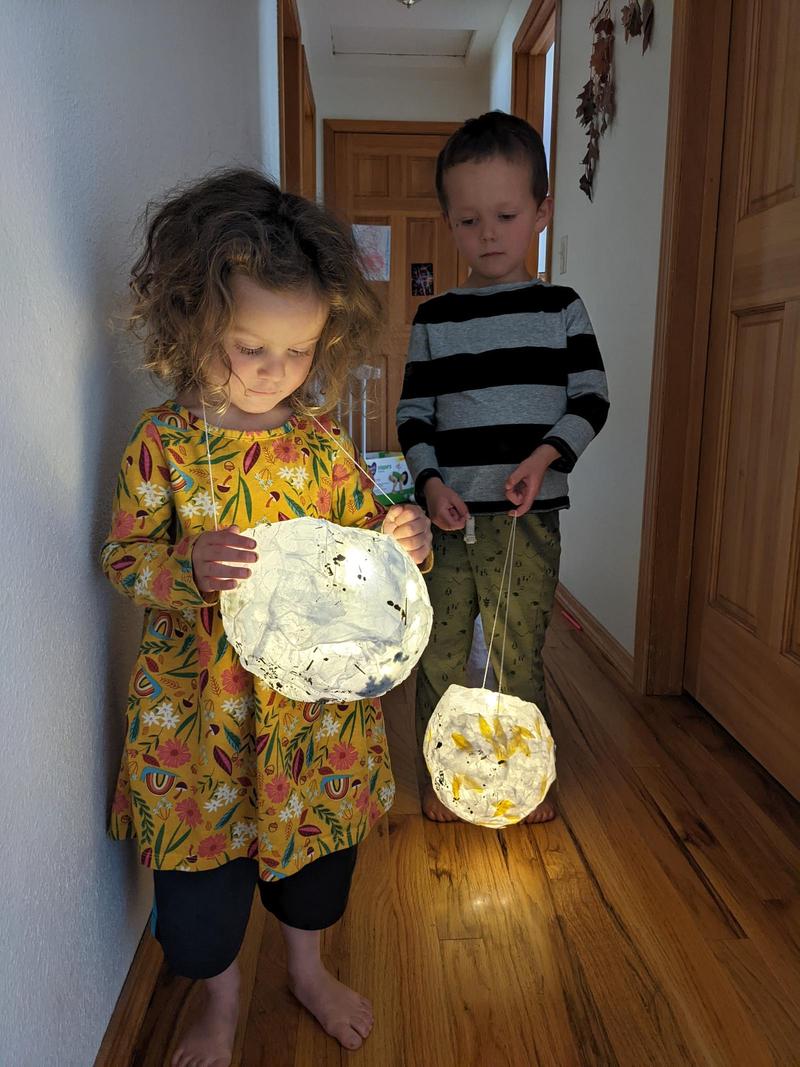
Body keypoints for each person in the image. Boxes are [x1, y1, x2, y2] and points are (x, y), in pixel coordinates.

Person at [101, 168, 432, 1067]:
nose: (273, 371)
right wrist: (186, 565)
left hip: (313, 722)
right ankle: (223, 993)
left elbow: (365, 550)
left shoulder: (321, 442)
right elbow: (124, 558)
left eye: (297, 351)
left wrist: (400, 540)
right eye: (249, 346)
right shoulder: (162, 444)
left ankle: (306, 967)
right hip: (197, 714)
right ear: (195, 320)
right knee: (201, 910)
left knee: (314, 874)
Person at [396, 111, 609, 824]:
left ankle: (527, 775)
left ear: (542, 212)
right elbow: (413, 417)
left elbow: (592, 398)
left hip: (530, 521)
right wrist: (429, 484)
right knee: (439, 653)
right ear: (449, 221)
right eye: (468, 220)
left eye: (507, 214)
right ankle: (436, 774)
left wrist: (547, 456)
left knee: (518, 652)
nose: (487, 233)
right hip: (446, 526)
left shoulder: (562, 310)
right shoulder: (434, 319)